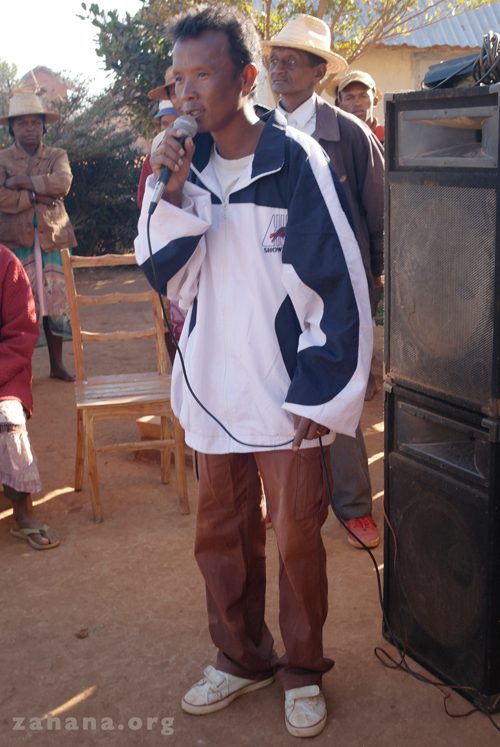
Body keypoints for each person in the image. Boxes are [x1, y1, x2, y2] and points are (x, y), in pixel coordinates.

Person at [135, 6, 372, 738]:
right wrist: (169, 190)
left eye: (203, 74)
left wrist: (322, 393)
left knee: (298, 538)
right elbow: (162, 271)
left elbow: (340, 284)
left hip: (285, 395)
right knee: (221, 536)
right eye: (179, 78)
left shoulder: (296, 161)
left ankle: (302, 665)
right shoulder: (181, 164)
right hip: (212, 389)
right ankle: (239, 657)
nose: (187, 92)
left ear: (244, 78)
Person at [264, 14, 384, 549]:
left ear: (318, 71)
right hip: (273, 286)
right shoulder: (260, 132)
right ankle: (290, 503)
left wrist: (372, 288)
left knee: (336, 396)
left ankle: (355, 506)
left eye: (293, 61)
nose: (280, 69)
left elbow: (379, 217)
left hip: (335, 290)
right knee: (279, 388)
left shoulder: (350, 134)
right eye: (275, 60)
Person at [0, 93, 76, 382]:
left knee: (53, 304)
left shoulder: (57, 155)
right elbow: (0, 196)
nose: (29, 128)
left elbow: (63, 183)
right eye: (22, 123)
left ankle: (56, 365)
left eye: (35, 122)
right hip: (15, 244)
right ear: (12, 129)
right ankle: (20, 369)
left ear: (44, 127)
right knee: (19, 307)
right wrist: (37, 196)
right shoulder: (2, 158)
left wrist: (19, 182)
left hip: (52, 239)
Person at [0, 243, 59, 550]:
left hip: (4, 374)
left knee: (7, 420)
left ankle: (22, 511)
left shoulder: (6, 264)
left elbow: (22, 334)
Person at [337, 70, 385, 144]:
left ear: (375, 102)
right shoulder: (334, 139)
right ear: (340, 105)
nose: (357, 103)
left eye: (363, 96)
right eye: (349, 98)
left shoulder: (388, 136)